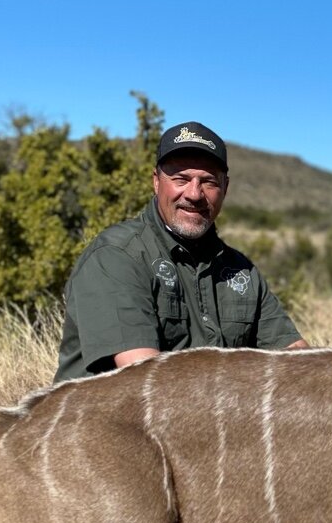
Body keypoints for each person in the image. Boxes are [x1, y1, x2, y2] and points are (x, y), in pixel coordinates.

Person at [54, 120, 307, 383]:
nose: (194, 193)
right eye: (181, 179)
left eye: (208, 181)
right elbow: (147, 382)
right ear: (156, 182)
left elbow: (296, 360)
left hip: (210, 416)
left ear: (225, 188)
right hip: (109, 420)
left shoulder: (240, 269)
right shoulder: (116, 255)